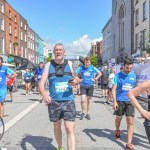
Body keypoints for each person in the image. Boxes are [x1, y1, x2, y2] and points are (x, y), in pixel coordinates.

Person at [39, 43, 79, 150]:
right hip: (54, 102)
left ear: (64, 52)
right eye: (56, 50)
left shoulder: (70, 64)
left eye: (60, 50)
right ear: (53, 51)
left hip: (68, 101)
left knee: (69, 128)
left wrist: (75, 81)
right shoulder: (48, 65)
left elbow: (77, 79)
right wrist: (44, 94)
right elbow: (41, 82)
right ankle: (60, 147)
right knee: (57, 126)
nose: (58, 51)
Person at [112, 58, 136, 150]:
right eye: (127, 68)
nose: (129, 70)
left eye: (130, 68)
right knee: (118, 119)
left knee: (130, 121)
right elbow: (113, 89)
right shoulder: (117, 76)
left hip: (130, 101)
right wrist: (114, 102)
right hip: (119, 101)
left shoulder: (133, 76)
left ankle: (129, 143)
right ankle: (117, 130)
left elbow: (134, 89)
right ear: (123, 66)